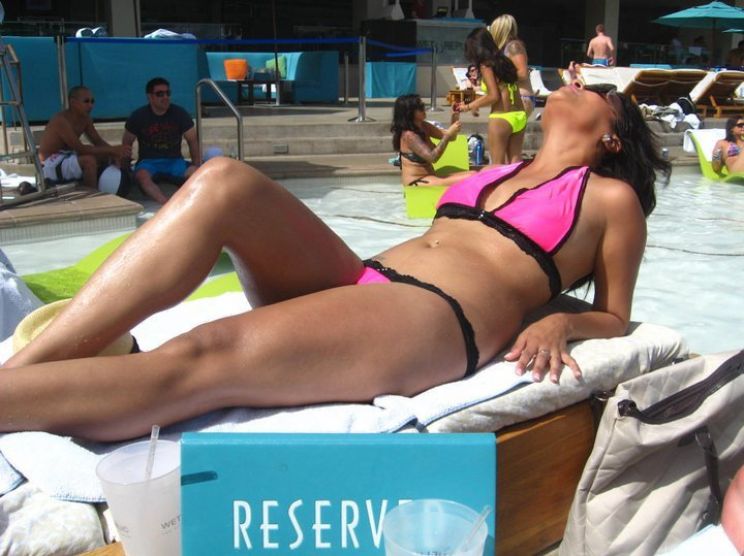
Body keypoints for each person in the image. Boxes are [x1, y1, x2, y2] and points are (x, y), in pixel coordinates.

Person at [0, 81, 670, 442]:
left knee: (203, 353)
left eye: (595, 89)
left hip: (432, 319)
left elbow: (616, 315)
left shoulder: (610, 201)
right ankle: (28, 369)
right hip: (361, 282)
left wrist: (562, 322)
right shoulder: (499, 170)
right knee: (223, 181)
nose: (574, 80)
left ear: (613, 134)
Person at [122, 77, 201, 204]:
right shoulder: (138, 116)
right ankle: (166, 204)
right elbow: (127, 143)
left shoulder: (179, 113)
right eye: (160, 94)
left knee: (197, 174)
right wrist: (125, 170)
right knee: (141, 175)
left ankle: (191, 204)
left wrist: (196, 164)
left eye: (168, 93)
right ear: (150, 97)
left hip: (175, 162)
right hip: (149, 163)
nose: (165, 97)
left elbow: (193, 140)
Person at [456, 27, 527, 165]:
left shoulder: (486, 65)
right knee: (515, 165)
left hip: (502, 117)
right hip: (519, 115)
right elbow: (502, 89)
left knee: (497, 166)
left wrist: (468, 106)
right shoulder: (505, 61)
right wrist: (476, 104)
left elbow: (494, 96)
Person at [38, 86, 131, 190]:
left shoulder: (86, 119)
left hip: (67, 157)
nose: (90, 105)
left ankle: (105, 185)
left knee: (105, 156)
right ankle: (92, 195)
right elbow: (81, 149)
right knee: (88, 161)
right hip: (49, 163)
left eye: (92, 101)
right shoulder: (61, 121)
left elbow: (98, 141)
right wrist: (113, 150)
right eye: (86, 101)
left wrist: (115, 154)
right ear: (73, 102)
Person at [392, 94, 474, 186]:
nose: (424, 109)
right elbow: (433, 158)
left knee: (474, 174)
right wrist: (447, 135)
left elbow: (452, 137)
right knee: (471, 177)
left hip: (430, 177)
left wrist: (455, 115)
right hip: (417, 181)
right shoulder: (409, 136)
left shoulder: (424, 126)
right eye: (420, 107)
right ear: (409, 112)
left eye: (423, 105)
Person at [489, 14, 537, 116]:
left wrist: (499, 76)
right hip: (515, 97)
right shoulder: (507, 48)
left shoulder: (514, 46)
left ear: (499, 30)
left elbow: (522, 73)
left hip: (521, 98)